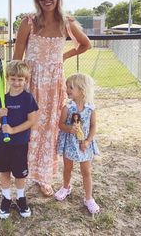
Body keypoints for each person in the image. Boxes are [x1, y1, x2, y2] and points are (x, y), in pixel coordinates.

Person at [12, 0, 92, 196]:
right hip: (31, 82)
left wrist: (63, 56)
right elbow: (17, 56)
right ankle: (20, 172)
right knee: (27, 126)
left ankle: (44, 177)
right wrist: (15, 88)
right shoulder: (28, 22)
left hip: (53, 85)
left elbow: (86, 44)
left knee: (49, 130)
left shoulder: (67, 23)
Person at [0, 60, 38, 219]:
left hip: (20, 143)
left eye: (20, 79)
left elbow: (31, 121)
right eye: (13, 79)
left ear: (26, 80)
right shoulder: (3, 98)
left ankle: (21, 198)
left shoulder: (28, 98)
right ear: (7, 79)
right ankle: (6, 199)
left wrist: (13, 130)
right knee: (4, 171)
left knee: (20, 174)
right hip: (3, 142)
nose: (17, 82)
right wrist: (0, 115)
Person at [54, 73, 100, 214]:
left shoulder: (91, 109)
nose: (67, 90)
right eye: (67, 87)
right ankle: (66, 187)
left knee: (86, 171)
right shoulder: (67, 108)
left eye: (71, 87)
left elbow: (93, 127)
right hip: (69, 143)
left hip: (84, 145)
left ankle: (89, 198)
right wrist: (69, 129)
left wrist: (87, 141)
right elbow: (61, 125)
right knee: (67, 168)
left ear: (81, 90)